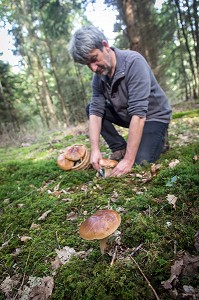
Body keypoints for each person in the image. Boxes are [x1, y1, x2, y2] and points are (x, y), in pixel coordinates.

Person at [68, 26, 172, 177]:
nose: (93, 68)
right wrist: (95, 149)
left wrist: (129, 160)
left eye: (94, 59)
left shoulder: (134, 62)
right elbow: (96, 113)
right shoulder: (99, 77)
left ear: (105, 45)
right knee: (91, 108)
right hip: (128, 116)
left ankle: (160, 138)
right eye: (87, 64)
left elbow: (139, 114)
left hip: (153, 116)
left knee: (139, 162)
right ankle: (119, 147)